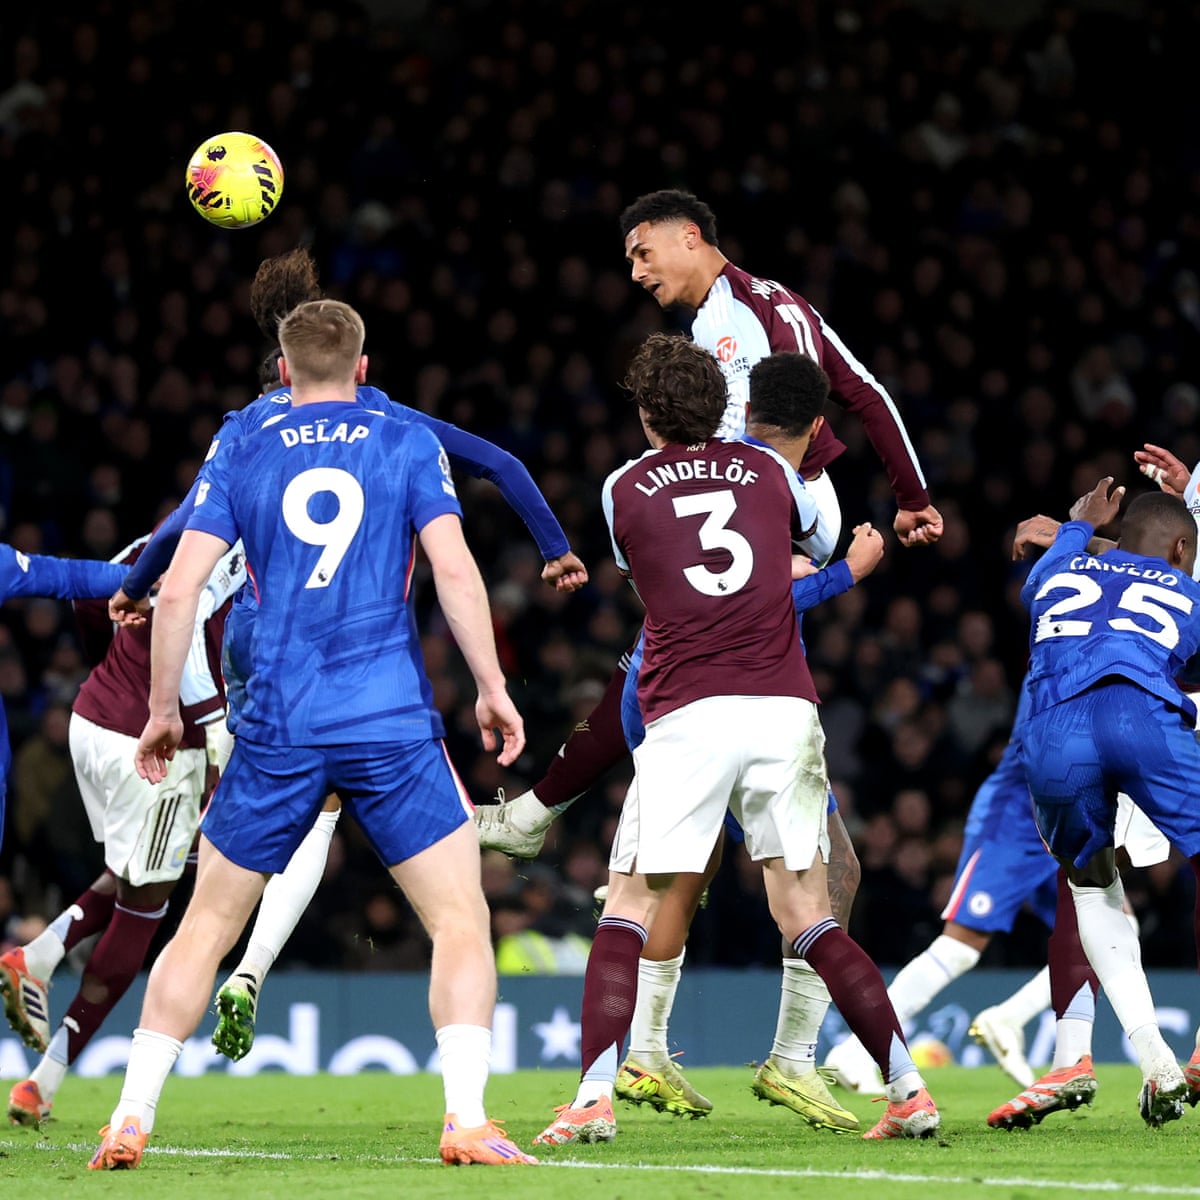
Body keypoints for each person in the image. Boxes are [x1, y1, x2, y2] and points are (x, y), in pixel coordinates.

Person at [477, 189, 944, 1106]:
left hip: (777, 531)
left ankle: (540, 810)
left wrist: (897, 501)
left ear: (693, 239)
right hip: (768, 556)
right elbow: (856, 392)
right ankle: (696, 1049)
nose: (636, 271)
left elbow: (849, 398)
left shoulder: (748, 330)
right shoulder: (756, 320)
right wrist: (905, 500)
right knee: (763, 865)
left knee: (674, 680)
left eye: (644, 253)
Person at [105, 247, 586, 1064]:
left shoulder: (246, 431)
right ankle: (259, 966)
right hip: (370, 679)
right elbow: (495, 467)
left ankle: (175, 1049)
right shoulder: (394, 425)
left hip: (266, 663)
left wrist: (139, 587)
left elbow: (183, 525)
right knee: (385, 853)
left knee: (231, 873)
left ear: (284, 372)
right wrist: (554, 548)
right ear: (359, 366)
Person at [612, 352, 866, 1134]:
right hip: (728, 700)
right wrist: (851, 568)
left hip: (663, 695)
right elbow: (775, 594)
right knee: (830, 876)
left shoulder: (642, 482)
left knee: (677, 882)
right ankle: (790, 1058)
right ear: (818, 430)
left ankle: (644, 1051)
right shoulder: (774, 480)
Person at [3, 535, 242, 1126]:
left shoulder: (160, 536)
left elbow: (97, 598)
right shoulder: (249, 546)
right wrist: (213, 742)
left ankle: (41, 980)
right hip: (159, 748)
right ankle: (44, 1063)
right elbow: (189, 626)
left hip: (92, 721)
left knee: (135, 873)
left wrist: (114, 674)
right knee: (146, 908)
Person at [1017, 478, 1200, 1127]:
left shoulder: (1061, 567)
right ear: (1181, 548)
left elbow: (1038, 585)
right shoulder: (1185, 587)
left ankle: (1155, 1059)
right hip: (1141, 717)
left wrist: (1076, 526)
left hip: (1052, 734)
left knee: (1090, 884)